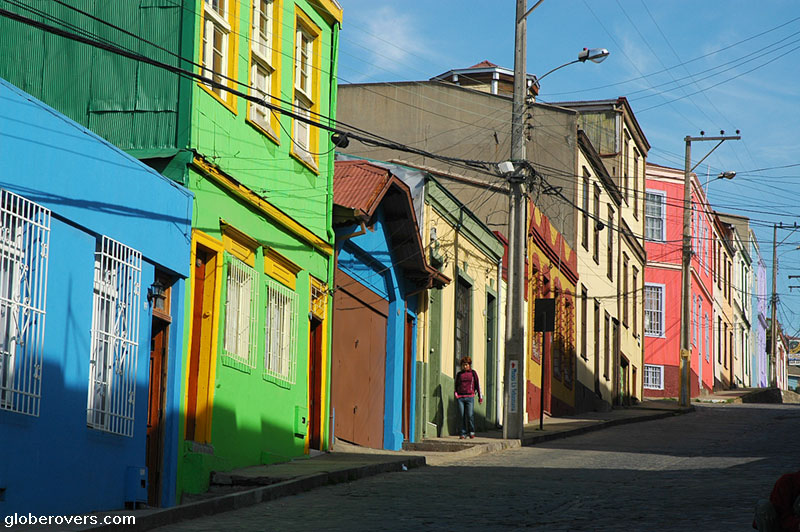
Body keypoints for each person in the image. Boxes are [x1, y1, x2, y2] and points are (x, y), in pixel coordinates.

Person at [454, 356, 482, 439]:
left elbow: (477, 384)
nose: (464, 366)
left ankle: (471, 431)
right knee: (461, 415)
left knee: (470, 415)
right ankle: (463, 433)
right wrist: (456, 393)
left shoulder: (473, 373)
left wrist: (480, 397)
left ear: (469, 365)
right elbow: (456, 385)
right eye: (463, 365)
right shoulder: (459, 374)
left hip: (470, 397)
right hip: (461, 397)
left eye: (466, 365)